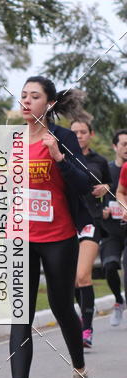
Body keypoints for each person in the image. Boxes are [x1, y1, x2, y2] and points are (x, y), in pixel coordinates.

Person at [0, 77, 95, 378]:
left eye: (34, 96)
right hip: (20, 236)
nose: (26, 101)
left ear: (49, 104)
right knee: (19, 310)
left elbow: (84, 185)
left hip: (57, 236)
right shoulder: (10, 141)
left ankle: (80, 369)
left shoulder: (64, 138)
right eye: (23, 95)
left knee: (60, 305)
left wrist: (59, 158)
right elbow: (6, 191)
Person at [69, 119, 111, 348]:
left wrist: (106, 188)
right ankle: (77, 321)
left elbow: (111, 187)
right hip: (66, 223)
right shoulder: (62, 156)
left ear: (90, 134)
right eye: (74, 132)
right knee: (73, 279)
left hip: (91, 222)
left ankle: (87, 329)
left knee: (83, 274)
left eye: (83, 132)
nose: (78, 136)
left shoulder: (100, 161)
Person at [100, 129, 127, 326]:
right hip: (111, 230)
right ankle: (118, 300)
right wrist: (102, 209)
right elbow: (91, 197)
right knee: (109, 266)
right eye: (124, 144)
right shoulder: (105, 170)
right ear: (115, 147)